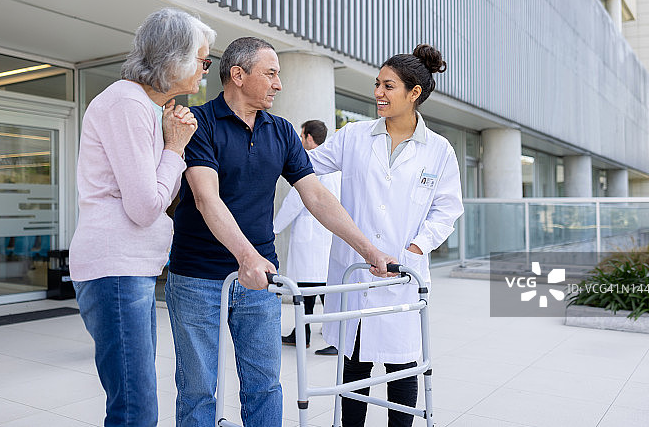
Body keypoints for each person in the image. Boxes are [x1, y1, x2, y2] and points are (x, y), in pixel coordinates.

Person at [165, 36, 397, 427]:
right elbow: (206, 199)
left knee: (264, 385)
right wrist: (247, 256)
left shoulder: (283, 131)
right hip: (198, 275)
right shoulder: (199, 123)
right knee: (199, 389)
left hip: (261, 280)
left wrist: (369, 251)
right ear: (238, 75)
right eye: (271, 73)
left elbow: (316, 197)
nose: (279, 83)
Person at [70, 8, 215, 427]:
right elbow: (145, 206)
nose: (205, 71)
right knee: (135, 407)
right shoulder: (127, 104)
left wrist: (173, 145)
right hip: (116, 267)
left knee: (134, 400)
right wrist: (176, 146)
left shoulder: (143, 106)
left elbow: (158, 193)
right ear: (176, 59)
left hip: (127, 267)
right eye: (203, 60)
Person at [308, 44, 464, 427]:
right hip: (357, 270)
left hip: (402, 273)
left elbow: (447, 210)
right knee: (355, 366)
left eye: (388, 85)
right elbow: (304, 164)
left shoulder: (439, 150)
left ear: (414, 94)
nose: (378, 92)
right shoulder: (354, 137)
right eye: (377, 83)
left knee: (402, 367)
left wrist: (414, 248)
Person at [274, 120, 341, 350]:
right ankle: (302, 333)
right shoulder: (333, 164)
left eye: (302, 136)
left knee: (308, 289)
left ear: (310, 138)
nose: (300, 141)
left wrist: (273, 228)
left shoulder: (311, 162)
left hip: (311, 238)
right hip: (324, 237)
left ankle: (332, 339)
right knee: (319, 290)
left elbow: (295, 201)